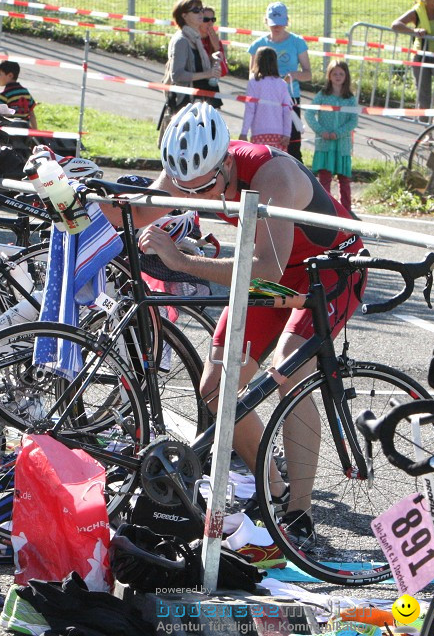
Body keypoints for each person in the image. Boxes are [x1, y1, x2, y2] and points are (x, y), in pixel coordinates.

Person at [106, 102, 364, 543]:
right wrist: (65, 192)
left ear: (226, 161)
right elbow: (131, 213)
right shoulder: (189, 168)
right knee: (215, 388)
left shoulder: (272, 177)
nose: (199, 199)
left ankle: (299, 514)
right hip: (274, 270)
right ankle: (272, 491)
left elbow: (263, 270)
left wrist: (181, 259)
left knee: (288, 368)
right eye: (188, 191)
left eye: (207, 189)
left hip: (329, 269)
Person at [247, 3, 312, 164]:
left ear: (287, 21)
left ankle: (297, 183)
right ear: (266, 21)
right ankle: (260, 183)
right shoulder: (257, 45)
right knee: (261, 150)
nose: (276, 27)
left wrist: (293, 76)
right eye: (273, 23)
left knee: (293, 146)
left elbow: (308, 74)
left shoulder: (297, 42)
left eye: (280, 23)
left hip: (290, 99)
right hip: (264, 104)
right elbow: (252, 74)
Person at [157, 0, 221, 144]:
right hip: (184, 107)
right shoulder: (181, 40)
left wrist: (212, 60)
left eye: (201, 9)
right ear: (184, 16)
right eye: (195, 10)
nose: (201, 13)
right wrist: (208, 73)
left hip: (197, 106)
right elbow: (177, 75)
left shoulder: (195, 39)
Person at [305, 60, 359, 212]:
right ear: (329, 75)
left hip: (342, 145)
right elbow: (309, 114)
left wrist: (339, 132)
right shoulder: (322, 95)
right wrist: (321, 131)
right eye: (334, 73)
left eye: (341, 73)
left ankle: (347, 210)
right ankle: (325, 208)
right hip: (325, 144)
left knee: (344, 179)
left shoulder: (350, 99)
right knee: (325, 178)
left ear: (346, 76)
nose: (338, 76)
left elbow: (353, 120)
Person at [239, 46, 292, 150]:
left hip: (258, 133)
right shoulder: (282, 84)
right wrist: (287, 133)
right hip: (279, 135)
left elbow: (250, 109)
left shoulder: (253, 83)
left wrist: (244, 132)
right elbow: (287, 110)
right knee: (278, 164)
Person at [0, 60, 38, 130]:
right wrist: (35, 131)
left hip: (10, 131)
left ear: (10, 75)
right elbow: (32, 114)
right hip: (25, 130)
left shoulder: (5, 95)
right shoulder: (25, 92)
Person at [198, 5, 228, 79]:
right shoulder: (191, 39)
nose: (210, 23)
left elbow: (223, 72)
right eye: (206, 20)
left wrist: (217, 48)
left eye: (213, 20)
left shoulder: (214, 41)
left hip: (208, 84)